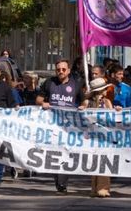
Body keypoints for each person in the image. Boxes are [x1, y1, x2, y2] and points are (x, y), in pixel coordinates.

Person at [36, 59, 85, 194]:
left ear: (68, 70)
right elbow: (38, 99)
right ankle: (58, 179)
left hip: (69, 126)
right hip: (53, 125)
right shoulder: (49, 83)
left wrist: (83, 106)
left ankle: (62, 182)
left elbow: (84, 100)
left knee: (66, 152)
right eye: (58, 69)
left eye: (63, 69)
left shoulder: (76, 84)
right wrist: (43, 103)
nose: (61, 72)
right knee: (55, 152)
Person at [83, 78, 116, 197]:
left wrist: (116, 110)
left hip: (104, 136)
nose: (106, 91)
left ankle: (103, 188)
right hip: (91, 136)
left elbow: (112, 117)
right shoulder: (87, 102)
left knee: (104, 160)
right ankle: (94, 188)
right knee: (94, 161)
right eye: (105, 89)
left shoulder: (106, 102)